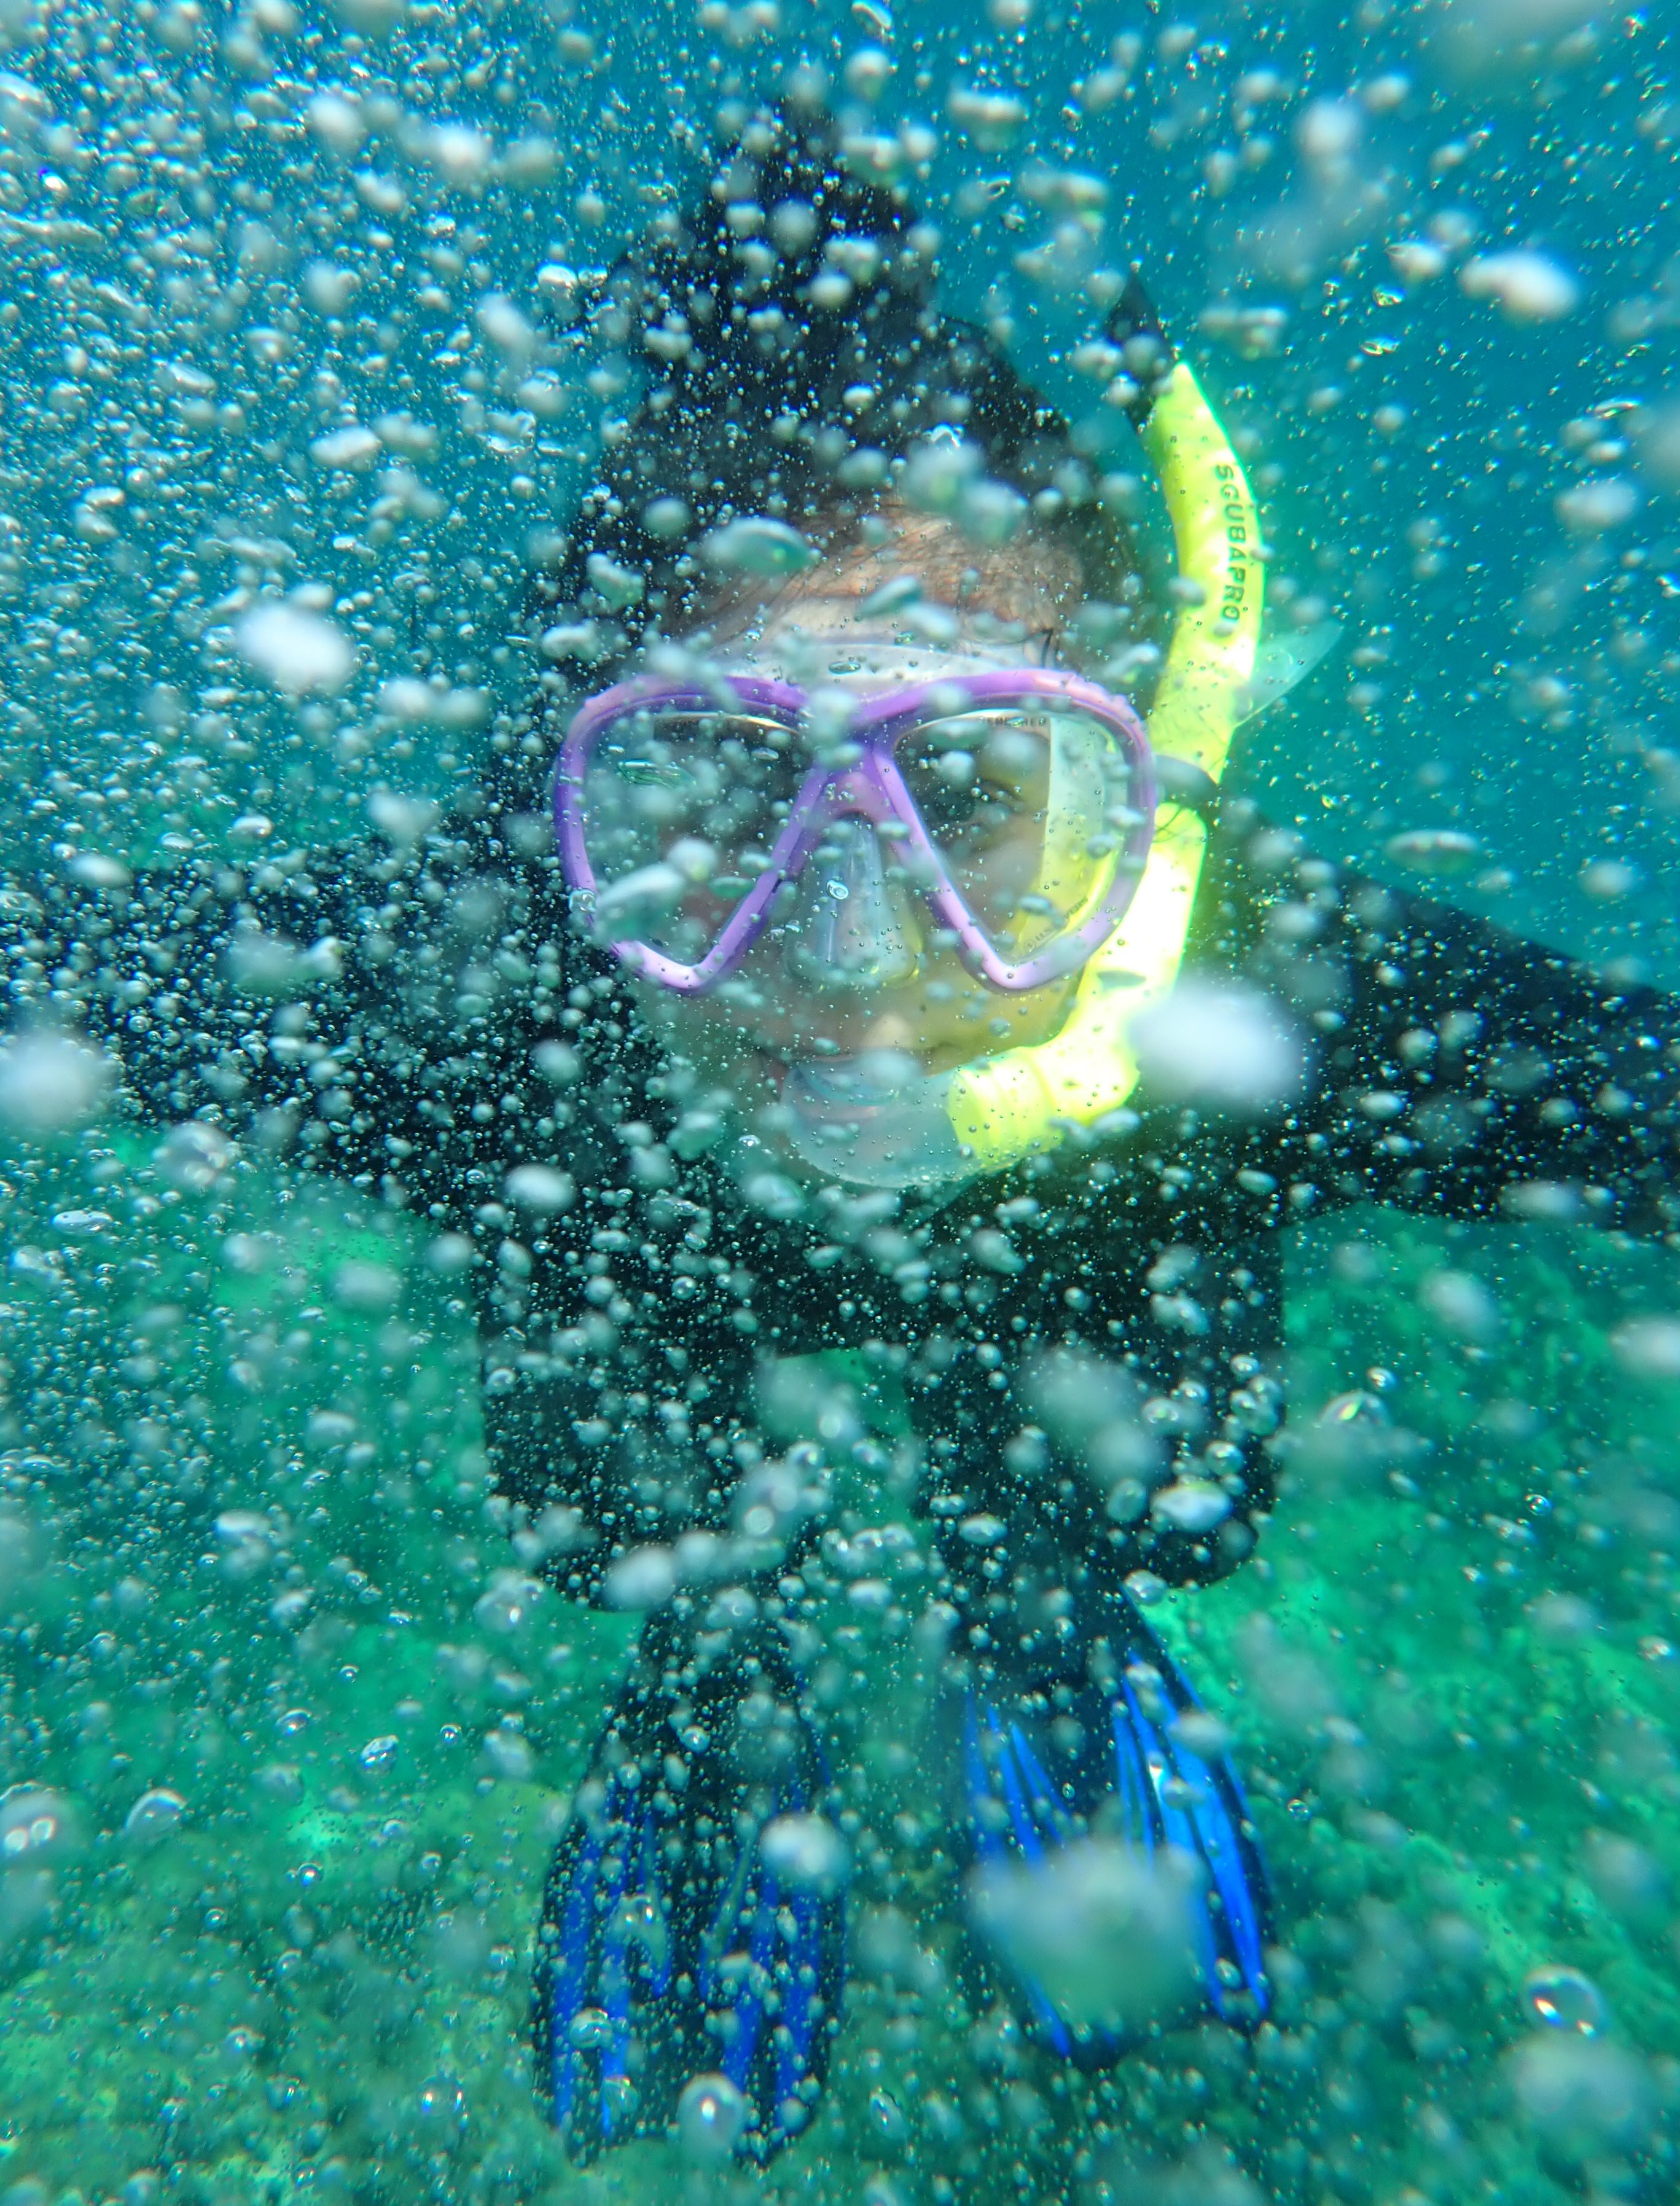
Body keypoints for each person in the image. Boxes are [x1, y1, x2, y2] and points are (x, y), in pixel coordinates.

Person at [14, 104, 1680, 2167]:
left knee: (1126, 1477)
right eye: (715, 797)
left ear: (1145, 792)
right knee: (640, 1508)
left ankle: (1045, 1610)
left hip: (1065, 1310)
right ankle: (719, 1690)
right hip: (662, 1318)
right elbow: (54, 967)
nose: (861, 953)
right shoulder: (487, 984)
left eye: (977, 791)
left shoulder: (1244, 980)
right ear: (571, 811)